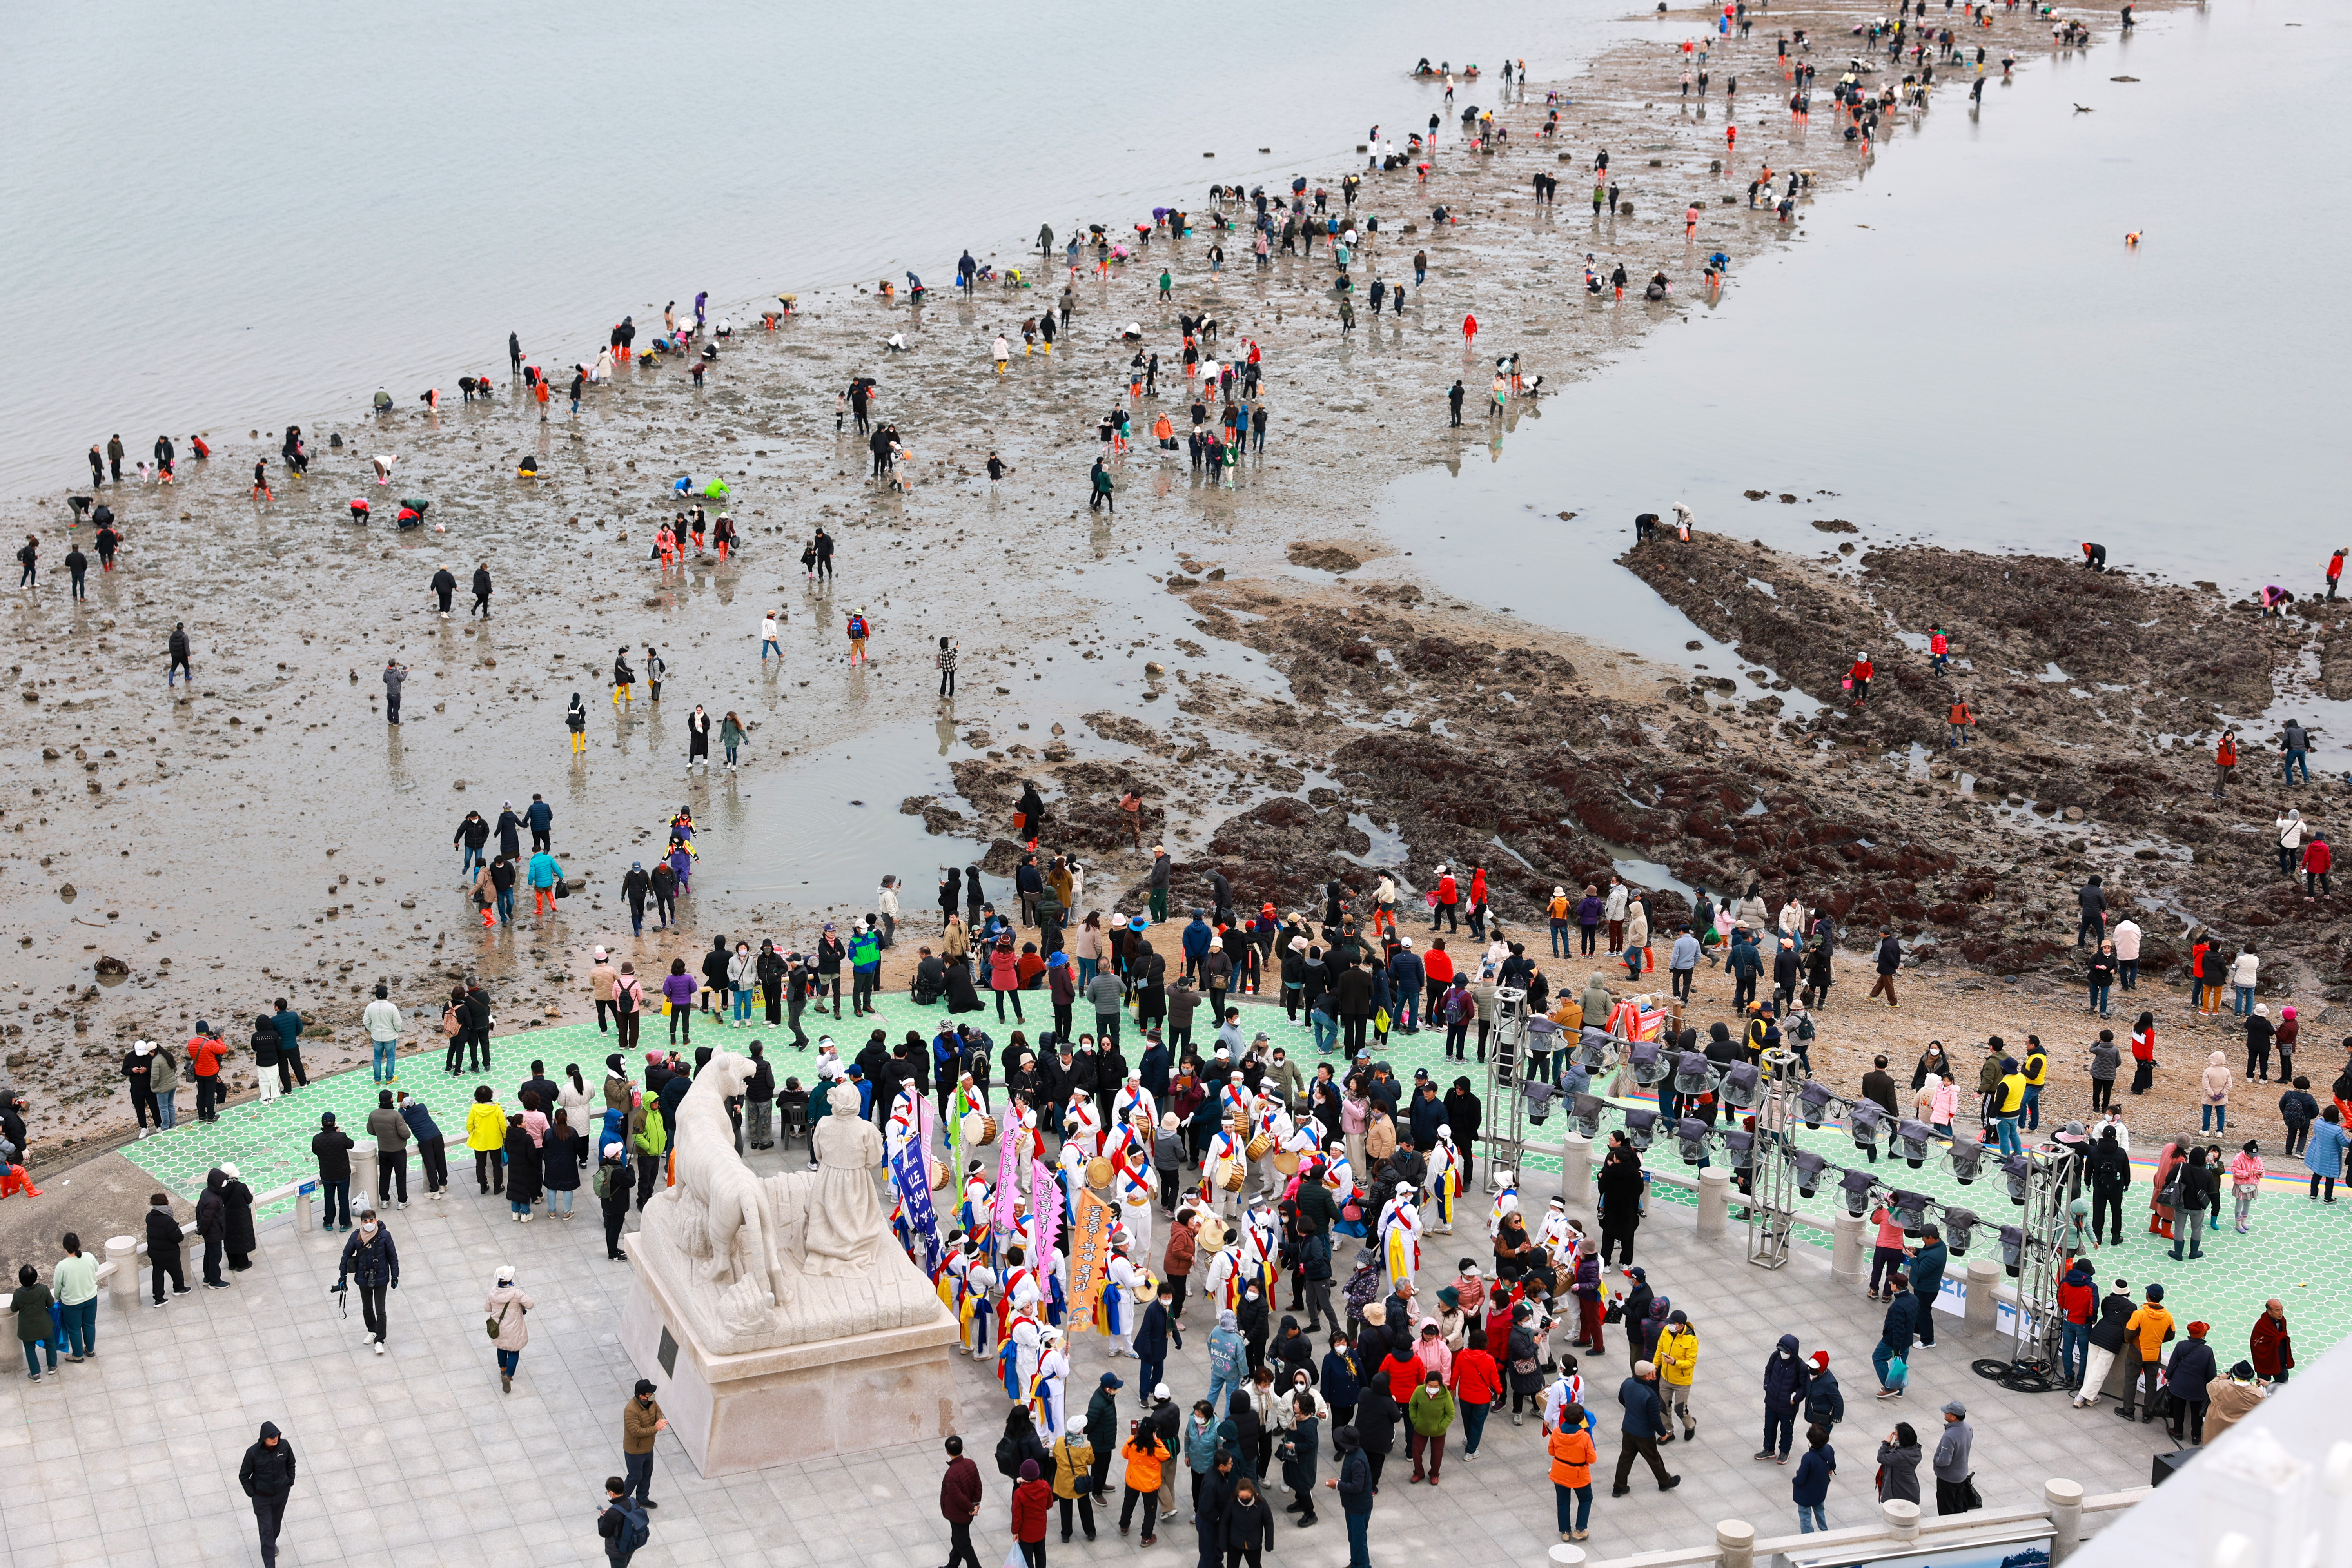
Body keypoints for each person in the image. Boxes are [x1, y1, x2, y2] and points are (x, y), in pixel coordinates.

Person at [1610, 1360, 1680, 1496]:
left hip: (1628, 1429)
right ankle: (1665, 1482)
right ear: (1647, 1376)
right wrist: (1663, 1433)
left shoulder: (1627, 1383)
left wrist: (1632, 1410)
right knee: (1654, 1459)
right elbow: (1655, 1420)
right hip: (1644, 1434)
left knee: (1626, 1458)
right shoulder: (1650, 1395)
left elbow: (1621, 1399)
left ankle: (1619, 1487)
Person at [336, 1207, 398, 1352]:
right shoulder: (356, 1237)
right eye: (366, 1220)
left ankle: (380, 1340)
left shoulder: (385, 1236)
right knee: (367, 1307)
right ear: (361, 1222)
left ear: (376, 1220)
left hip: (381, 1277)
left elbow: (393, 1257)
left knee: (380, 1310)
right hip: (363, 1277)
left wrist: (395, 1275)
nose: (369, 1222)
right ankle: (372, 1330)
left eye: (371, 1220)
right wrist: (343, 1275)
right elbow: (346, 1256)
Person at [238, 1422, 298, 1567]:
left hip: (281, 1494)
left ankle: (272, 1544)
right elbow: (244, 1476)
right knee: (266, 1531)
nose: (275, 1439)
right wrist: (254, 1494)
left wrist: (289, 1482)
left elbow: (291, 1464)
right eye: (272, 1437)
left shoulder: (285, 1446)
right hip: (262, 1498)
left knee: (275, 1526)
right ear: (264, 1438)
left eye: (277, 1436)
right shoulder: (253, 1453)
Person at [1761, 1333, 1813, 1456]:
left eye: (1786, 1352)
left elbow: (1804, 1387)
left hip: (1788, 1408)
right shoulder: (1775, 1357)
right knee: (1769, 1428)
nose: (1782, 1354)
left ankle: (1784, 1452)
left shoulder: (1800, 1367)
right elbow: (1768, 1371)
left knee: (1786, 1431)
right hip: (1771, 1402)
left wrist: (1796, 1399)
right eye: (1781, 1351)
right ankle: (1768, 1449)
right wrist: (1767, 1386)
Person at [486, 1265, 533, 1392]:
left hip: (498, 1328)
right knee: (514, 1351)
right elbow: (530, 1304)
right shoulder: (517, 1294)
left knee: (501, 1347)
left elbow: (487, 1308)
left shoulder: (492, 1292)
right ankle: (508, 1375)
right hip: (514, 1330)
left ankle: (503, 1369)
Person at [623, 1379, 668, 1510]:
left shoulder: (651, 1402)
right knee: (635, 1476)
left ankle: (642, 1498)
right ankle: (620, 1502)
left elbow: (658, 1410)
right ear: (641, 1396)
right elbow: (636, 1432)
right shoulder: (631, 1410)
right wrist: (656, 1428)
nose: (652, 1396)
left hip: (648, 1448)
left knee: (647, 1474)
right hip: (635, 1451)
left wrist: (659, 1420)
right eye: (649, 1393)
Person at [1930, 1401, 1974, 1515]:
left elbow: (1944, 1461)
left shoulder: (1950, 1436)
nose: (1945, 1413)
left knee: (1946, 1509)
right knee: (1958, 1505)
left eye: (1947, 1413)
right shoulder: (1968, 1427)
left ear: (1954, 1417)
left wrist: (1936, 1461)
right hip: (1961, 1475)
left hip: (1948, 1479)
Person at [1791, 1423, 1836, 1534]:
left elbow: (1801, 1480)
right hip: (1820, 1491)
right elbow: (1833, 1466)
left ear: (1811, 1441)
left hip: (1805, 1495)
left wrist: (1794, 1480)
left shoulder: (1808, 1458)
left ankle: (1809, 1538)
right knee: (1820, 1511)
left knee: (1806, 1517)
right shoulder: (1829, 1449)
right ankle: (1825, 1531)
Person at [146, 1191, 188, 1305]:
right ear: (165, 1204)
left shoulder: (149, 1217)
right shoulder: (168, 1221)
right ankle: (179, 1288)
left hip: (155, 1253)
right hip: (169, 1254)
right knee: (177, 1271)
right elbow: (178, 1237)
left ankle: (158, 1299)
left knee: (158, 1275)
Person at [1010, 1457, 1051, 1568]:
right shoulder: (1045, 1486)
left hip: (1026, 1533)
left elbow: (1017, 1517)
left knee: (1027, 1558)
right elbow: (1050, 1504)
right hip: (1041, 1529)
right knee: (1041, 1554)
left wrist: (1015, 1532)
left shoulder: (1019, 1494)